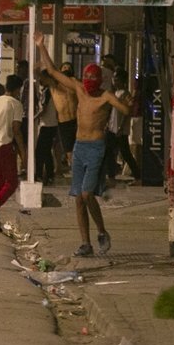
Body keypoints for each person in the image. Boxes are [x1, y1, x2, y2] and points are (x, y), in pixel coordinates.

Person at [34, 32, 131, 256]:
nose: (87, 88)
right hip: (79, 147)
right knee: (78, 198)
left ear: (98, 83)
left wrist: (128, 102)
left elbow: (125, 110)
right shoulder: (79, 89)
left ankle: (102, 231)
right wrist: (41, 47)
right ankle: (85, 243)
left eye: (91, 84)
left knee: (87, 194)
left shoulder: (106, 96)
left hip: (96, 147)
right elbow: (54, 72)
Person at [0, 74, 29, 232]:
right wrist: (23, 153)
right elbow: (16, 130)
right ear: (18, 89)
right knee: (11, 183)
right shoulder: (16, 104)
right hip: (4, 145)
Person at [34, 70, 59, 185]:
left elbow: (43, 109)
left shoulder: (47, 91)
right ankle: (49, 175)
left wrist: (34, 118)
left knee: (40, 151)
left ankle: (39, 175)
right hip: (51, 124)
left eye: (41, 78)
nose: (40, 80)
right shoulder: (50, 90)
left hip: (47, 125)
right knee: (47, 151)